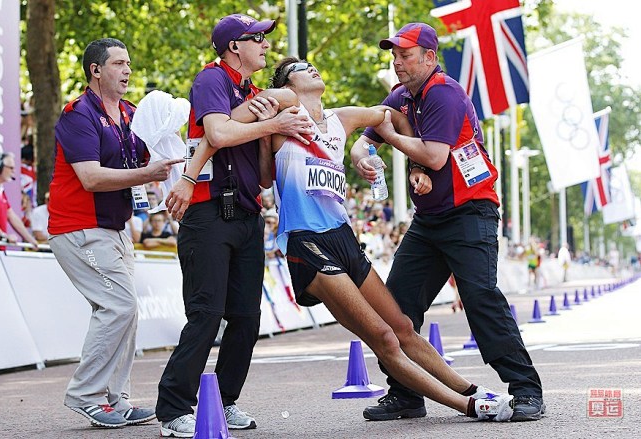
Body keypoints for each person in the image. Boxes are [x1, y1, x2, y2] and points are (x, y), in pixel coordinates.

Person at [263, 56, 513, 422]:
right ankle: (470, 407)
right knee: (383, 337)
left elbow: (390, 117)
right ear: (287, 85)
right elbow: (247, 113)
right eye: (300, 68)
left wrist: (405, 162)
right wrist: (275, 110)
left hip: (342, 238)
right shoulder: (284, 115)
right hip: (306, 242)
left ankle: (471, 390)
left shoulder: (340, 119)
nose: (311, 67)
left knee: (403, 328)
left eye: (311, 64)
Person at [350, 22, 544, 422]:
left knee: (480, 298)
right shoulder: (402, 96)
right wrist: (364, 156)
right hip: (430, 218)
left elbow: (435, 156)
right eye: (395, 54)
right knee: (396, 306)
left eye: (406, 55)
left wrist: (391, 138)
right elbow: (364, 138)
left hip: (471, 212)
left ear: (429, 57)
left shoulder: (444, 93)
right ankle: (405, 392)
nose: (397, 61)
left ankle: (526, 389)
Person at [156, 14, 314, 438]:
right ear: (233, 47)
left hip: (247, 215)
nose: (265, 44)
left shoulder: (255, 92)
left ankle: (224, 403)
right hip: (207, 215)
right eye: (257, 38)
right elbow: (218, 133)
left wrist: (270, 134)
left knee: (247, 316)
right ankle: (173, 408)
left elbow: (263, 177)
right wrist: (274, 123)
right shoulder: (212, 80)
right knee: (206, 315)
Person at [47, 38, 181, 429]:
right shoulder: (77, 114)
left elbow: (153, 151)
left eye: (129, 65)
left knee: (126, 311)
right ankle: (85, 395)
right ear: (95, 70)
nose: (128, 71)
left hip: (113, 229)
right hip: (78, 228)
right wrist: (147, 174)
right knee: (119, 307)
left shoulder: (130, 113)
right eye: (120, 64)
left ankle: (117, 401)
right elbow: (90, 177)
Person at [0, 152, 38, 247]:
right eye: (11, 168)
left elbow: (11, 216)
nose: (14, 171)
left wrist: (31, 240)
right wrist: (3, 236)